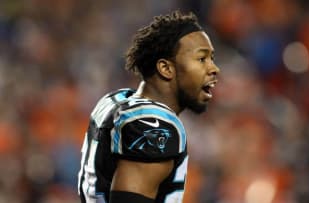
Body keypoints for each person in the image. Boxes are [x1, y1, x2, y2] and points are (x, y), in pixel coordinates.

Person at [77, 10, 220, 203]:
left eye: (212, 58)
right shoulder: (153, 122)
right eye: (202, 59)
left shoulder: (115, 100)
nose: (213, 68)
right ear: (166, 68)